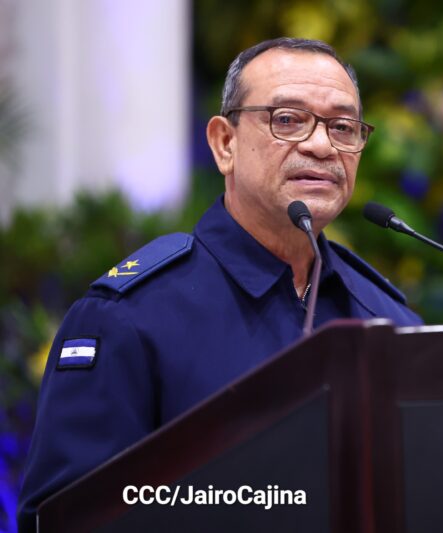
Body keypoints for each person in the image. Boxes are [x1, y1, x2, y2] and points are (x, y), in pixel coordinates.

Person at [17, 37, 422, 530]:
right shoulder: (130, 317)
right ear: (224, 144)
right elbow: (66, 518)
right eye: (288, 120)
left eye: (342, 127)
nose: (321, 146)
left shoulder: (387, 318)